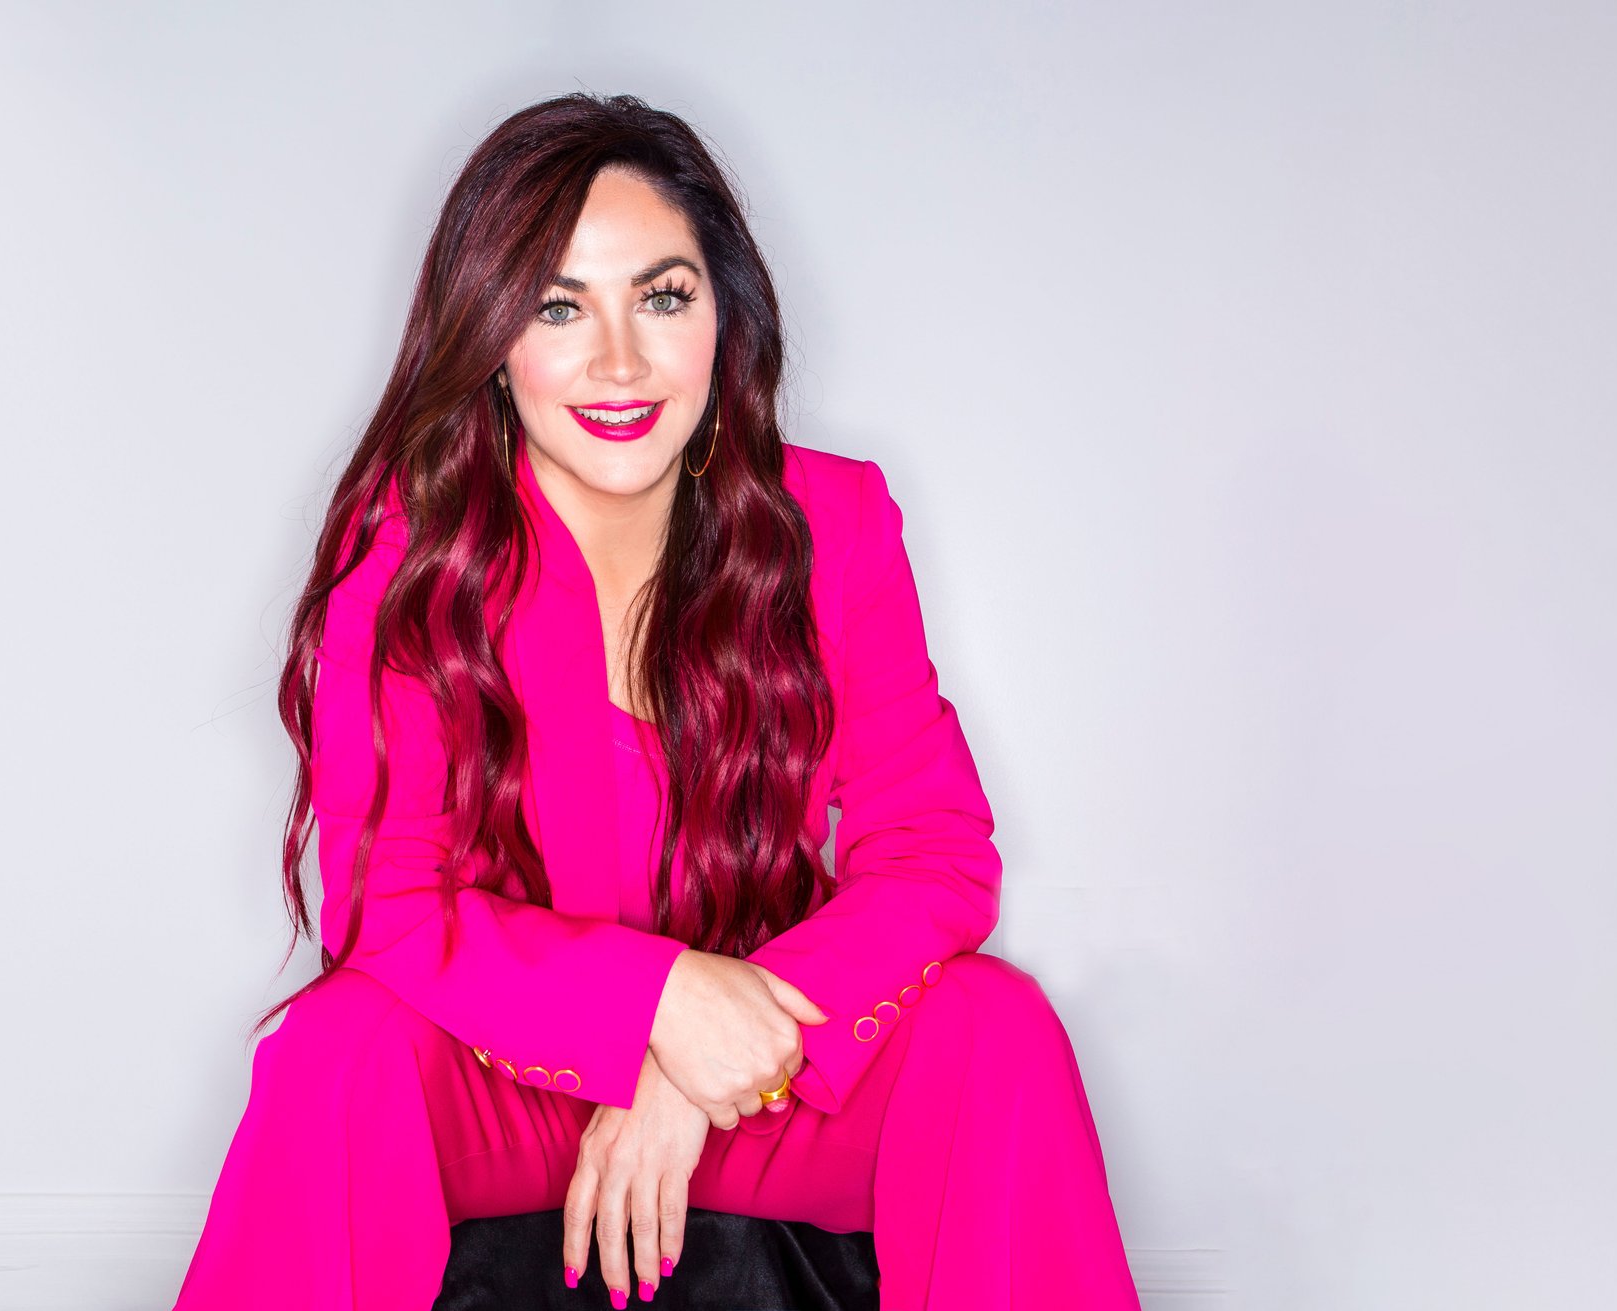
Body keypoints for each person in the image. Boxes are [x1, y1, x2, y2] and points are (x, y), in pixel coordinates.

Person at [172, 92, 1139, 1310]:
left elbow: (933, 854)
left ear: (721, 318)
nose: (618, 361)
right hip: (506, 1083)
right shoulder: (408, 563)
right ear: (489, 338)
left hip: (767, 1085)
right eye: (558, 306)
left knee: (995, 1027)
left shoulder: (832, 524)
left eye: (662, 297)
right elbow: (394, 909)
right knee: (332, 1051)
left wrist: (691, 1067)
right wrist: (653, 1003)